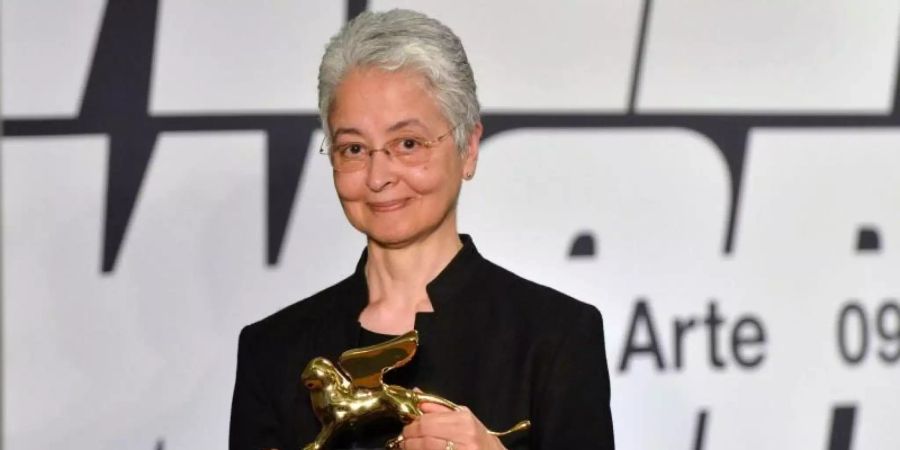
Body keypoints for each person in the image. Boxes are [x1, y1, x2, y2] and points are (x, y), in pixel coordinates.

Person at [230, 9, 614, 450]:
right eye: (354, 148)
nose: (378, 176)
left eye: (407, 144)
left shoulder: (557, 337)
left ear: (467, 147)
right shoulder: (272, 350)